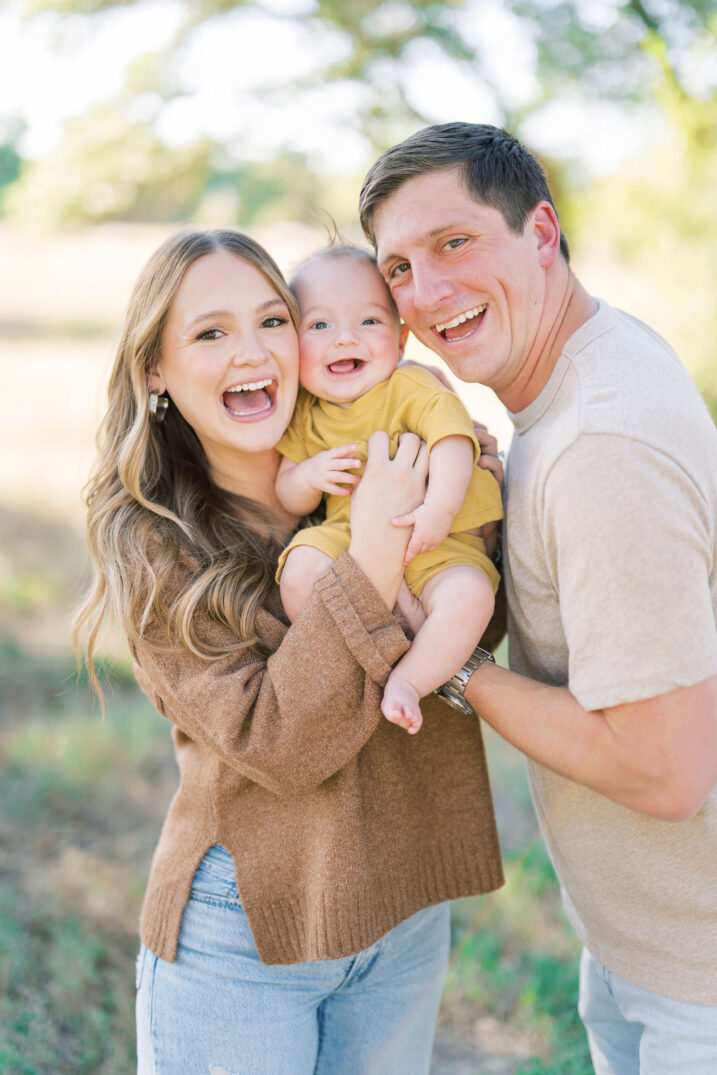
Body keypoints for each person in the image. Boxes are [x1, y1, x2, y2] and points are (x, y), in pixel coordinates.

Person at [73, 228, 505, 1075]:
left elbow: (473, 627)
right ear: (154, 369)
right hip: (247, 928)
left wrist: (467, 491)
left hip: (401, 899)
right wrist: (375, 550)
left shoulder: (376, 438)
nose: (253, 351)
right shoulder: (156, 543)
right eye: (209, 332)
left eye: (274, 319)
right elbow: (281, 743)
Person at [359, 123, 717, 1073]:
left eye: (454, 243)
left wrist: (450, 662)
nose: (426, 293)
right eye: (396, 268)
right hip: (653, 948)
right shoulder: (581, 372)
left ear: (542, 233)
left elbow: (665, 771)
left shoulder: (599, 446)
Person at [275, 245, 503, 733]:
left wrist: (439, 507)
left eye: (369, 322)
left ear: (401, 340)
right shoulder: (306, 412)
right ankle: (376, 641)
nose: (344, 339)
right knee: (298, 574)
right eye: (320, 326)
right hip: (350, 541)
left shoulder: (411, 387)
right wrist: (308, 475)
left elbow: (454, 440)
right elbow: (287, 491)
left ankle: (410, 681)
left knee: (470, 598)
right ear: (294, 345)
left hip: (438, 542)